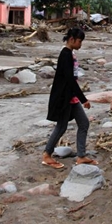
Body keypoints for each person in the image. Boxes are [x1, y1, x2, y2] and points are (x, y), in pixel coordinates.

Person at [42, 27, 98, 169]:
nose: (80, 44)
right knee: (61, 127)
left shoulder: (69, 53)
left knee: (84, 123)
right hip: (64, 97)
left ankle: (81, 156)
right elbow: (69, 80)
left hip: (70, 97)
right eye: (79, 41)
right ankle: (47, 155)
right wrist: (83, 99)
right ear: (72, 39)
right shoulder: (65, 54)